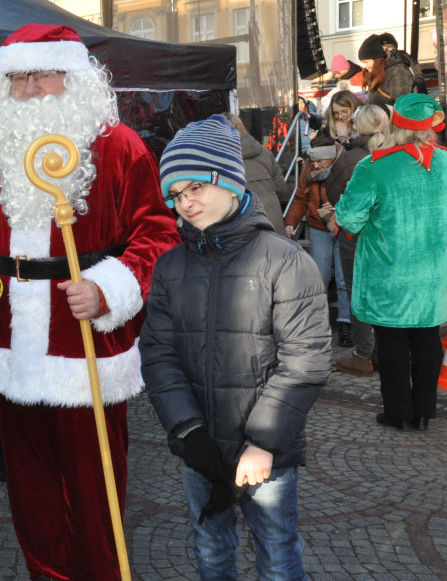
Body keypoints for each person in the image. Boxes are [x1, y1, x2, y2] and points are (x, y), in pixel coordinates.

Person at [0, 23, 180, 581]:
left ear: (72, 76)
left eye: (41, 74)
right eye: (17, 77)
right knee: (30, 495)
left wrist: (107, 289)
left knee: (94, 492)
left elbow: (157, 234)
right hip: (9, 343)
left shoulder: (117, 145)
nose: (28, 89)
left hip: (84, 346)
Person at [140, 115, 331, 581]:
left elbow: (304, 360)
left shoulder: (286, 260)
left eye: (195, 188)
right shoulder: (170, 267)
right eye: (176, 194)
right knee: (210, 548)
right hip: (200, 448)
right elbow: (158, 353)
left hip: (266, 453)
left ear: (228, 181)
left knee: (278, 555)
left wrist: (263, 442)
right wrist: (188, 433)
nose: (186, 203)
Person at [335, 94, 447, 431]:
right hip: (433, 274)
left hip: (389, 273)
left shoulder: (375, 165)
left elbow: (349, 217)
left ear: (395, 123)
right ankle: (425, 411)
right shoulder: (445, 162)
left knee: (393, 341)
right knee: (428, 339)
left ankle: (398, 412)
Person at [325, 105, 385, 377]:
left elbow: (334, 193)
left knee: (356, 291)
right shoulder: (391, 156)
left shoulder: (349, 159)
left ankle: (362, 353)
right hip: (384, 233)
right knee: (382, 291)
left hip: (354, 234)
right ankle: (383, 350)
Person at [283, 133, 352, 347]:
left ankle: (345, 324)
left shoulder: (346, 167)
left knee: (342, 280)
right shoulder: (308, 170)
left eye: (320, 160)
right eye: (312, 160)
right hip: (317, 227)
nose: (315, 165)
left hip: (342, 228)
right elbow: (301, 198)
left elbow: (356, 198)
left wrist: (340, 208)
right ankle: (318, 324)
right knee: (319, 278)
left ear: (331, 157)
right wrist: (291, 221)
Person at [224, 112, 287, 233]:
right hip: (272, 223)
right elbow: (281, 189)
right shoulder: (265, 152)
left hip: (241, 227)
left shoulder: (219, 158)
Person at [358, 34, 413, 114]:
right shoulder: (374, 74)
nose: (365, 66)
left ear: (376, 59)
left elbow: (400, 105)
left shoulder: (398, 71)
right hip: (379, 122)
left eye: (366, 62)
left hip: (391, 123)